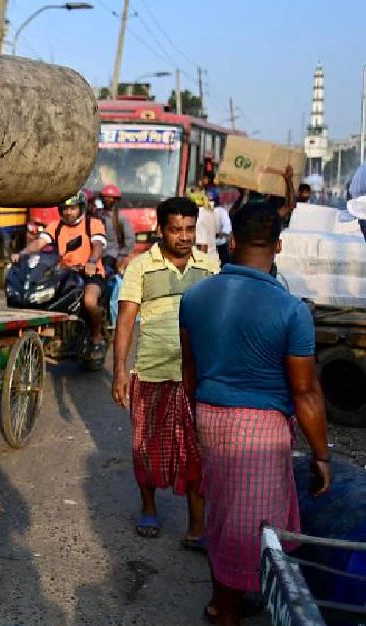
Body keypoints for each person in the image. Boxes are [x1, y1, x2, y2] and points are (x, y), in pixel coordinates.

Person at [179, 202, 331, 626]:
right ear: (279, 245)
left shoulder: (194, 297)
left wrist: (196, 418)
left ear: (232, 242)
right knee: (256, 526)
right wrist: (322, 455)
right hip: (260, 429)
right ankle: (229, 609)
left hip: (209, 413)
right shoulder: (291, 310)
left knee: (222, 512)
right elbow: (305, 393)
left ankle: (220, 601)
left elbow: (188, 368)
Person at [112, 196, 219, 543]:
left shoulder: (209, 268)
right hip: (152, 373)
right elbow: (126, 321)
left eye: (189, 229)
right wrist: (119, 371)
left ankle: (197, 526)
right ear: (161, 230)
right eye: (176, 230)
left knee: (197, 451)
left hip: (197, 377)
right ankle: (149, 508)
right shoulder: (141, 267)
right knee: (146, 445)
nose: (184, 237)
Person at [18, 190, 108, 356]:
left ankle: (97, 336)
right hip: (65, 273)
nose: (68, 212)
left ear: (81, 208)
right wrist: (22, 254)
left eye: (72, 208)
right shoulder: (56, 226)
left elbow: (97, 245)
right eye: (65, 209)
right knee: (41, 297)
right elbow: (39, 242)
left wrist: (92, 262)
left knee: (89, 301)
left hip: (90, 273)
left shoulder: (93, 223)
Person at [97, 184, 136, 273]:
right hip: (94, 255)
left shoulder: (120, 217)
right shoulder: (96, 214)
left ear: (116, 200)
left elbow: (130, 239)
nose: (108, 200)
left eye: (111, 198)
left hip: (111, 254)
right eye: (106, 197)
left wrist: (121, 255)